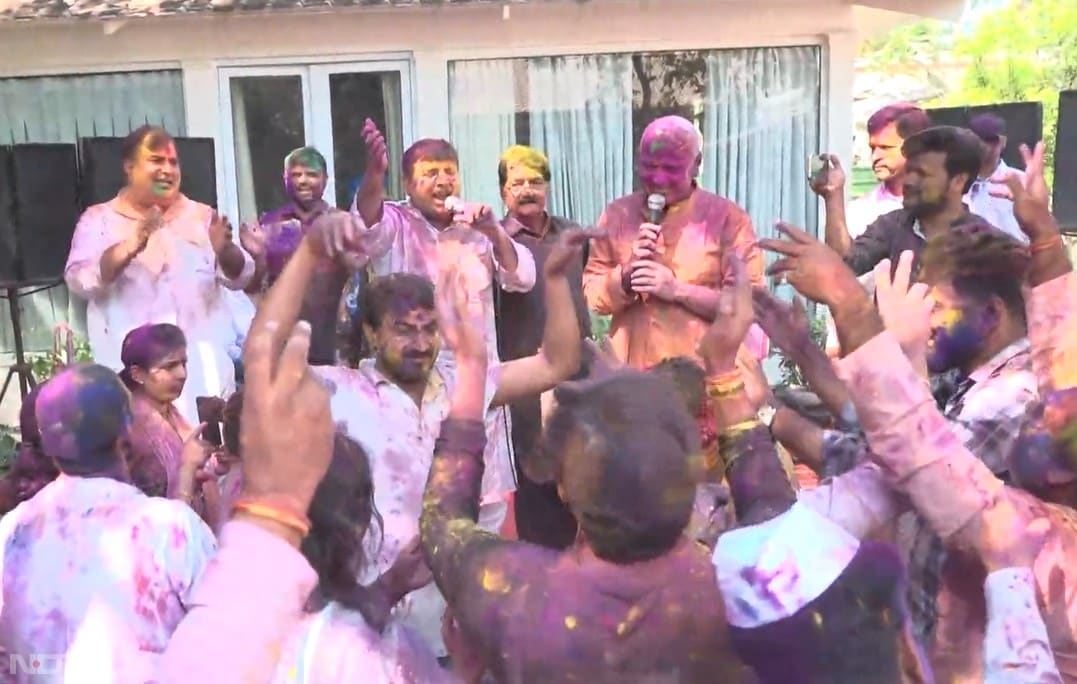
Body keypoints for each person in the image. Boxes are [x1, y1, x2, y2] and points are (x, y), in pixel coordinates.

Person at [757, 147, 1077, 681]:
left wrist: (853, 310)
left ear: (993, 314)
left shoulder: (1012, 398)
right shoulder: (974, 377)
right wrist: (808, 353)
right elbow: (880, 432)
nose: (924, 312)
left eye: (936, 301)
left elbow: (910, 463)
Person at [418, 245, 749, 682]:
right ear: (691, 476)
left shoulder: (522, 590)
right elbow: (766, 490)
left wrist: (471, 367)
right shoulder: (740, 581)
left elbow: (441, 523)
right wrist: (724, 367)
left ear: (563, 487)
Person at [264, 218, 585, 659]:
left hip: (455, 612)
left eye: (428, 328)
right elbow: (266, 357)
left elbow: (557, 362)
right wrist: (307, 257)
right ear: (373, 335)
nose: (419, 343)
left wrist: (553, 281)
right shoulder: (342, 392)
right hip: (379, 609)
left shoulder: (463, 383)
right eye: (403, 329)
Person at [0, 364, 216, 683]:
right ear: (126, 435)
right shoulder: (172, 529)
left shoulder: (10, 533)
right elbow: (227, 643)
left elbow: (9, 664)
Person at [64, 125, 255, 424]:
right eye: (156, 160)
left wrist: (225, 250)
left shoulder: (202, 216)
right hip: (132, 382)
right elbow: (80, 280)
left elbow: (242, 276)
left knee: (206, 464)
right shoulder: (99, 219)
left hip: (200, 380)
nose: (167, 169)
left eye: (173, 162)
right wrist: (130, 246)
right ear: (130, 168)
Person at [583, 114, 767, 369]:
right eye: (649, 166)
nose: (658, 179)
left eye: (670, 168)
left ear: (697, 164)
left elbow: (749, 305)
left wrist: (678, 290)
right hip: (629, 380)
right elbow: (593, 295)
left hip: (702, 378)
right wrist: (625, 276)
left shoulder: (729, 220)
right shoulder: (618, 214)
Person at [494, 144, 590, 550]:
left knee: (582, 470)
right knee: (536, 474)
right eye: (517, 183)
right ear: (503, 192)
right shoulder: (494, 244)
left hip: (580, 376)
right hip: (526, 379)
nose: (527, 190)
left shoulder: (572, 236)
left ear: (548, 187)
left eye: (535, 181)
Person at [240, 146, 364, 366]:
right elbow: (255, 285)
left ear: (326, 180)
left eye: (312, 175)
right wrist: (257, 256)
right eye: (296, 175)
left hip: (332, 336)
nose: (303, 181)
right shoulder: (269, 224)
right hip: (281, 335)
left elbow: (358, 281)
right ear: (285, 179)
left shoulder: (341, 223)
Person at [815, 125, 989, 277]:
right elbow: (844, 266)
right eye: (909, 171)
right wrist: (833, 196)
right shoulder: (893, 225)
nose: (908, 181)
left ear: (958, 181)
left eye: (922, 174)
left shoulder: (985, 244)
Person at [121, 323, 219, 527]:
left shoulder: (169, 411)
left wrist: (214, 468)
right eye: (169, 366)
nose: (182, 374)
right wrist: (187, 469)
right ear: (137, 374)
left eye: (184, 363)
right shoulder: (132, 426)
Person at [841, 103, 934, 239]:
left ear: (916, 147)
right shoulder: (860, 211)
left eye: (885, 147)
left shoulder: (955, 204)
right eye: (873, 148)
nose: (875, 157)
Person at [965, 113, 1028, 243]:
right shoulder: (957, 181)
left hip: (1014, 256)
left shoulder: (1020, 180)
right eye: (978, 140)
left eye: (992, 140)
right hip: (969, 258)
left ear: (1003, 141)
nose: (985, 146)